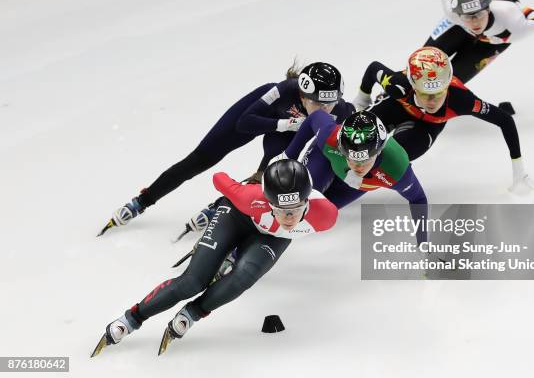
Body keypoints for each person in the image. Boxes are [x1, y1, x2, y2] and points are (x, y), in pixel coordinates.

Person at [91, 160, 338, 357]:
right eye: (280, 209)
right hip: (237, 216)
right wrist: (244, 186)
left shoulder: (326, 215)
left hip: (271, 237)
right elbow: (219, 178)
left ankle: (194, 312)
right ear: (267, 200)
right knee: (192, 282)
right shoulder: (251, 197)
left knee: (244, 275)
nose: (288, 218)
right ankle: (132, 317)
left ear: (307, 200)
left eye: (295, 210)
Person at [98, 62, 354, 235]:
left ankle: (222, 203)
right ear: (303, 95)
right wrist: (287, 123)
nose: (325, 110)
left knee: (275, 169)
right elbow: (245, 122)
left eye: (331, 104)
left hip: (284, 135)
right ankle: (142, 200)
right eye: (318, 104)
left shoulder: (341, 111)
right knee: (199, 159)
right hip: (262, 116)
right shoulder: (284, 90)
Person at [353, 46, 534, 194]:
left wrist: (519, 168)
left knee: (393, 161)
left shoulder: (462, 100)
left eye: (438, 93)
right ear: (413, 86)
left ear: (447, 87)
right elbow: (373, 68)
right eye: (425, 93)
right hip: (395, 107)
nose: (432, 100)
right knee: (354, 138)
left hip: (427, 126)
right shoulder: (399, 85)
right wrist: (361, 100)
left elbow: (505, 120)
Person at [354, 0, 534, 115]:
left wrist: (514, 3)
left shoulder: (512, 19)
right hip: (457, 27)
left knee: (453, 80)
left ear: (488, 8)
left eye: (479, 14)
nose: (475, 22)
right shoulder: (452, 11)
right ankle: (388, 97)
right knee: (425, 62)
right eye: (468, 16)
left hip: (493, 40)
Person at [278, 110, 428, 244]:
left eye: (366, 160)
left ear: (379, 151)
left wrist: (422, 243)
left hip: (359, 182)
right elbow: (316, 116)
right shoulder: (329, 137)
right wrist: (287, 156)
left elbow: (418, 199)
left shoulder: (396, 168)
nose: (358, 166)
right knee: (297, 198)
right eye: (351, 158)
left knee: (313, 213)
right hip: (326, 159)